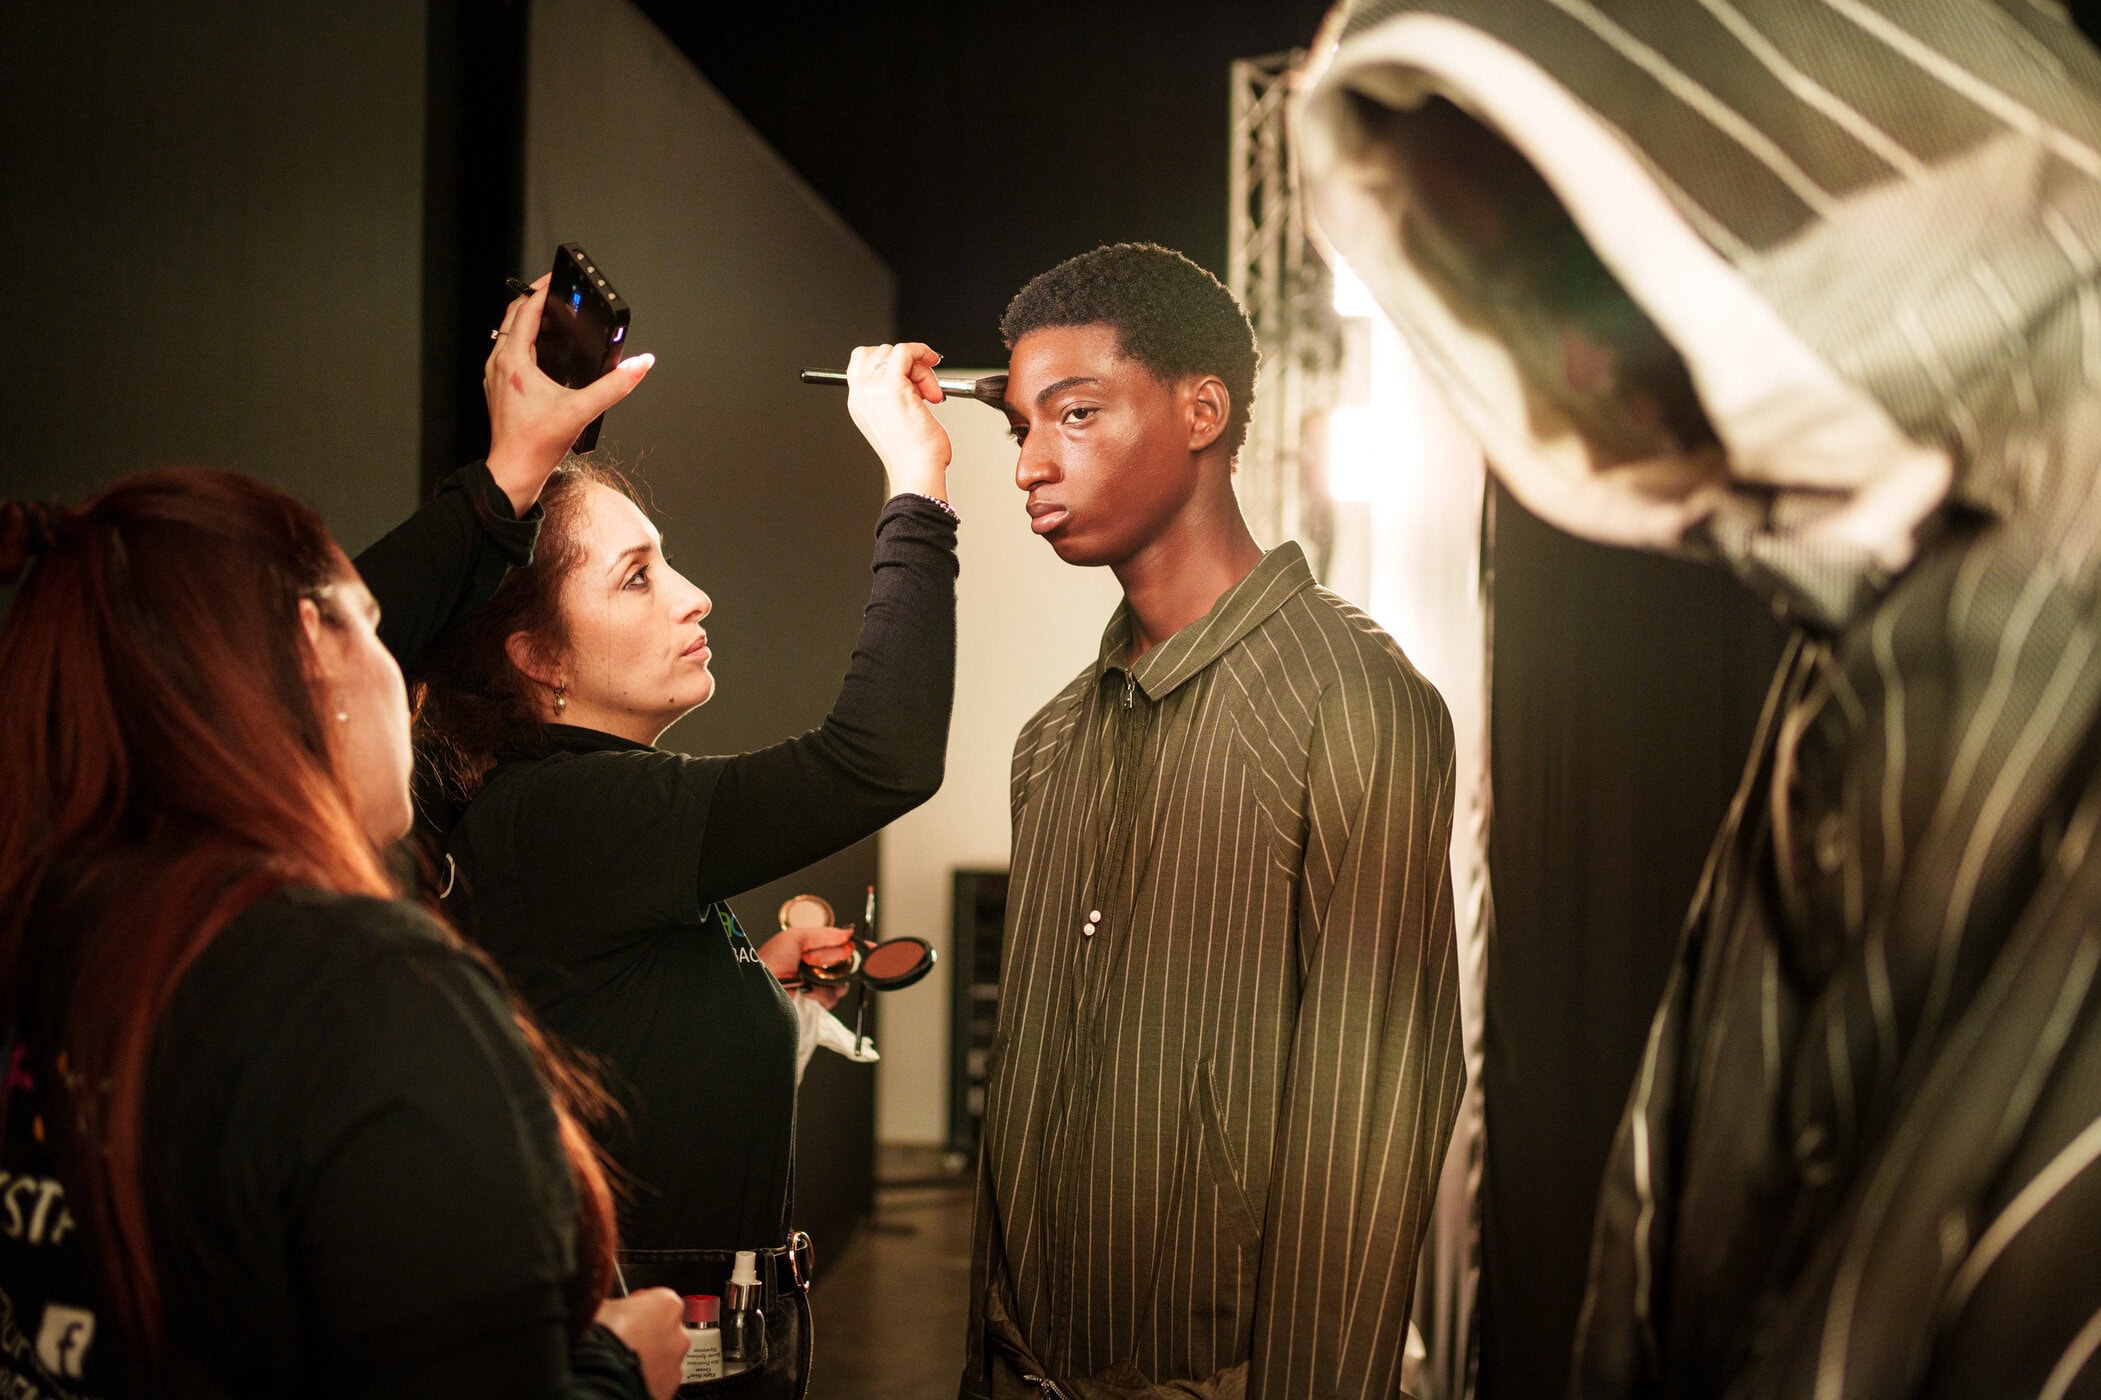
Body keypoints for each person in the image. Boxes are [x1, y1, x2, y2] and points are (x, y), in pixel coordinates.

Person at [1298, 3, 2101, 1396]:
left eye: (1586, 262)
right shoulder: (1884, 601)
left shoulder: (2053, 581)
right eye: (1518, 298)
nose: (1581, 370)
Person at [0, 470, 688, 1398]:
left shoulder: (58, 945)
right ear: (309, 651)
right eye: (373, 623)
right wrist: (616, 1368)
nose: (405, 681)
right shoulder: (365, 991)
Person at [360, 281, 958, 1313]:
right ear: (538, 656)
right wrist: (917, 485)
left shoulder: (564, 812)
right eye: (639, 577)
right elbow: (881, 757)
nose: (694, 595)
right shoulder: (573, 812)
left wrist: (739, 994)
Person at [964, 243, 1464, 1400]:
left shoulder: (1354, 699)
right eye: (1018, 430)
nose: (1033, 462)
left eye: (1074, 413)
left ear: (1201, 410)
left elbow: (1370, 1140)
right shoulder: (1052, 742)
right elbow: (1017, 1128)